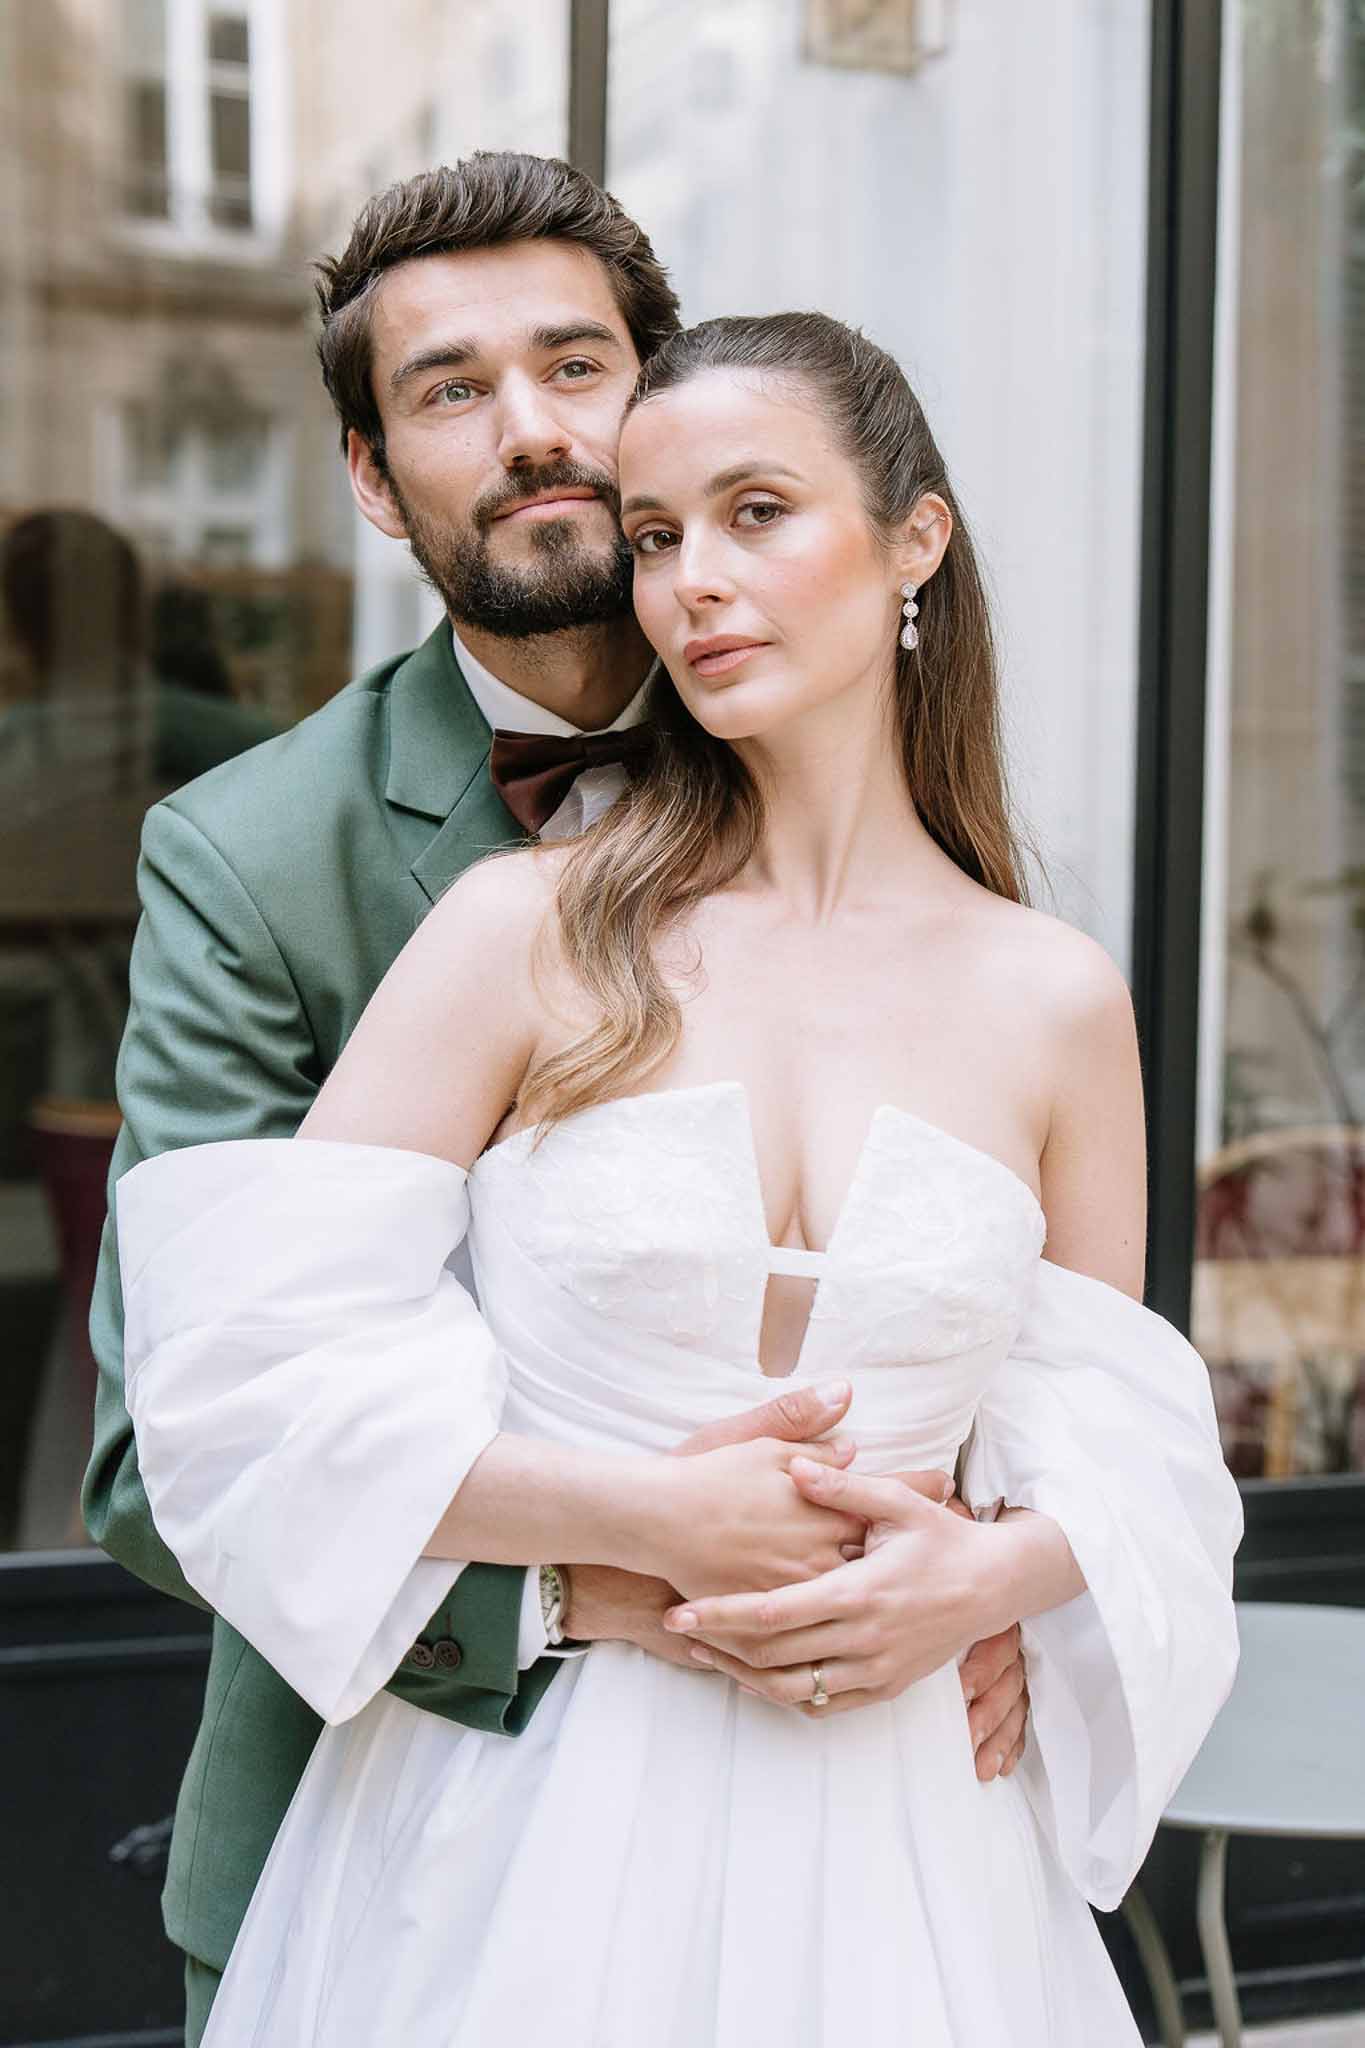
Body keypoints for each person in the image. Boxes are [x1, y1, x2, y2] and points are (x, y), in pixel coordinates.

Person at [116, 309, 1241, 2042]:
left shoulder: (1056, 998)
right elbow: (243, 1390)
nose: (691, 580)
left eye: (756, 513)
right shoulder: (525, 932)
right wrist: (633, 1520)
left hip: (911, 1857)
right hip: (520, 1833)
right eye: (653, 538)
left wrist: (989, 1578)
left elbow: (1124, 1443)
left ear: (914, 539)